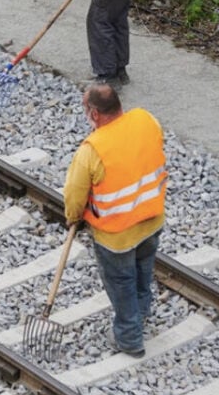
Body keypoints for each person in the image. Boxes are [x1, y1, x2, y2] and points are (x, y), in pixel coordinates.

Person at [64, 84, 167, 358]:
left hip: (117, 236)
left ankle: (130, 338)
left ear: (95, 114)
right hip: (152, 220)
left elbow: (75, 195)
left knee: (121, 283)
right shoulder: (146, 120)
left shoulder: (92, 150)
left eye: (86, 110)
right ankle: (142, 311)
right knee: (143, 270)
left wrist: (73, 217)